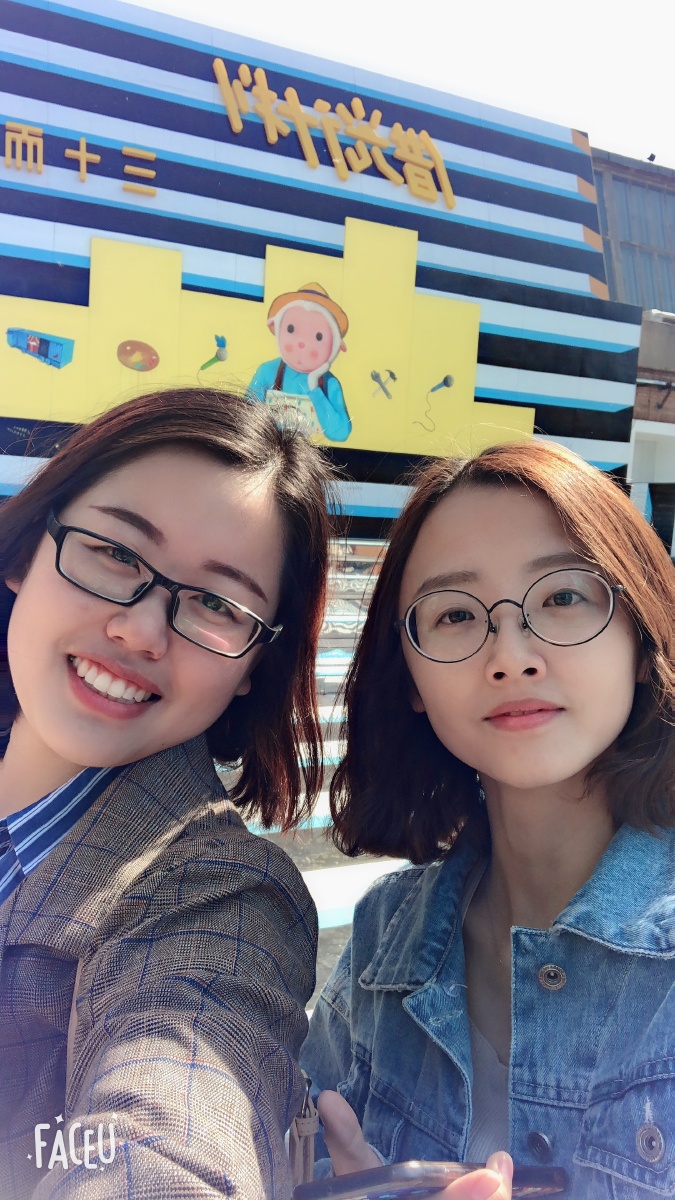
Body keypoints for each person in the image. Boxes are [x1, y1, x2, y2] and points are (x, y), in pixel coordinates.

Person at [302, 439, 674, 1200]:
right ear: (410, 679)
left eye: (562, 598)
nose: (510, 656)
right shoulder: (382, 940)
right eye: (454, 614)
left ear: (641, 640)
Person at [0, 386, 335, 1199]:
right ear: (25, 553)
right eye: (116, 553)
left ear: (252, 665)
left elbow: (167, 1134)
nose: (141, 631)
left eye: (217, 604)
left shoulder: (220, 897)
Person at [248, 283, 352, 443]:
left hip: (305, 455)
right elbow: (247, 416)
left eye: (318, 337)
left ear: (335, 345)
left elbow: (339, 433)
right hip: (268, 450)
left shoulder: (329, 383)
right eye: (291, 329)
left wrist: (315, 389)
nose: (302, 343)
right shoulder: (267, 371)